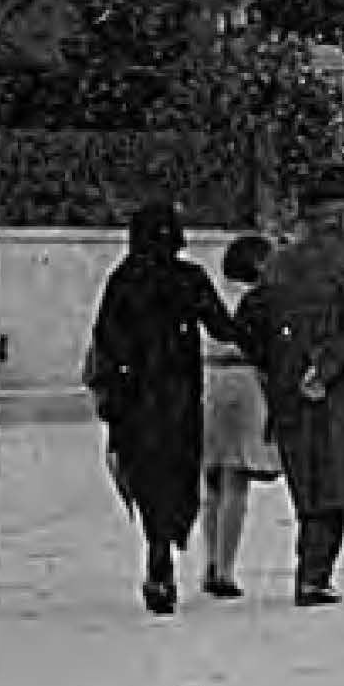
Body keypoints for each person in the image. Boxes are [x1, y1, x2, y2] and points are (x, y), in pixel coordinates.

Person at [236, 165, 344, 608]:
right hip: (341, 389)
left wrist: (276, 369)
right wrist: (325, 368)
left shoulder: (279, 262)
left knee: (308, 481)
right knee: (338, 480)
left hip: (289, 390)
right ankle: (314, 575)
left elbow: (249, 323)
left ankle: (312, 572)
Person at [85, 200, 238, 615]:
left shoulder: (122, 281)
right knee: (177, 471)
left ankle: (157, 553)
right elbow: (224, 327)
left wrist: (109, 392)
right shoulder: (189, 279)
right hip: (180, 397)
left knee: (146, 473)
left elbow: (106, 339)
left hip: (133, 399)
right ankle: (164, 548)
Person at [199, 233, 281, 599]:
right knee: (236, 481)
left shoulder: (212, 292)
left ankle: (209, 560)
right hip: (245, 381)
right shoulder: (259, 300)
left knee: (212, 480)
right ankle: (225, 568)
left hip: (208, 380)